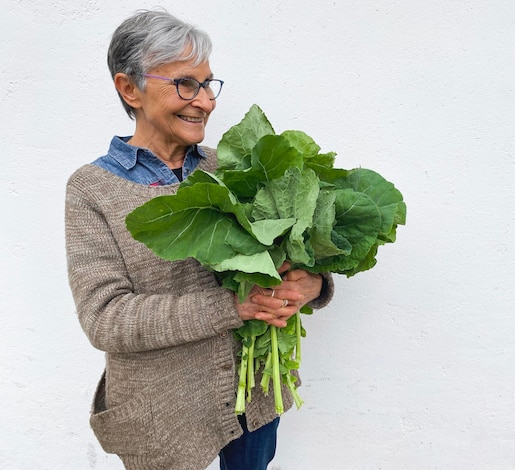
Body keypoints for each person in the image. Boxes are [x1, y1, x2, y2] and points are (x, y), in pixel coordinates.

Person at [65, 9, 333, 470]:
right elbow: (105, 318)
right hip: (161, 419)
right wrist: (233, 308)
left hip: (254, 401)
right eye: (186, 84)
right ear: (130, 88)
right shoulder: (92, 190)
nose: (205, 101)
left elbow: (287, 255)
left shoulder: (231, 167)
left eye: (209, 84)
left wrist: (312, 285)